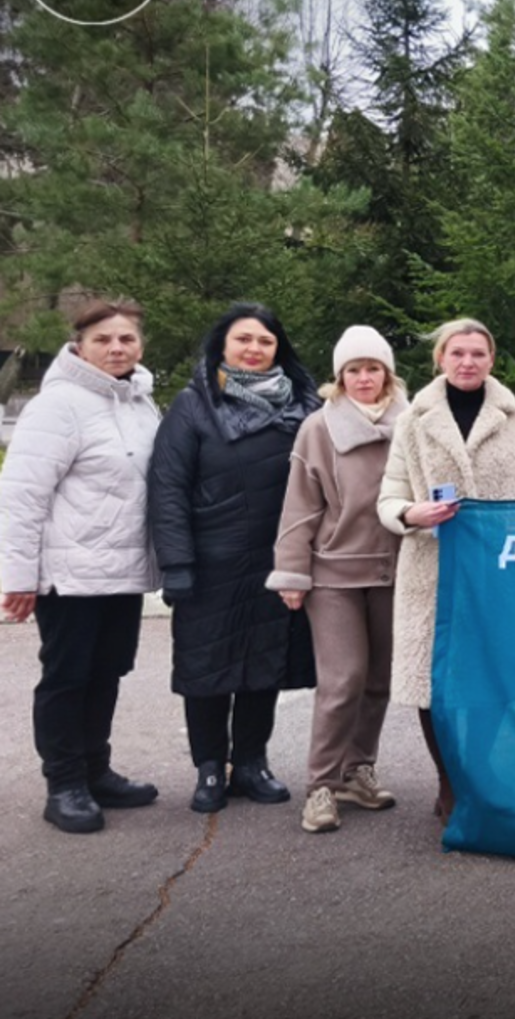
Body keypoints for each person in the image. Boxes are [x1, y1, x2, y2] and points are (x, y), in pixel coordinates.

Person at [377, 318, 515, 826]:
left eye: (477, 353)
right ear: (440, 358)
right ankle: (448, 780)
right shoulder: (412, 421)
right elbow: (388, 500)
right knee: (432, 683)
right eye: (457, 353)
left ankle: (477, 770)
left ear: (491, 360)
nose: (467, 362)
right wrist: (414, 514)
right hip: (431, 571)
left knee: (491, 678)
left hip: (500, 574)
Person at [149, 303, 322, 813]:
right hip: (211, 563)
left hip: (278, 559)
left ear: (278, 349)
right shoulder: (193, 405)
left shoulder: (303, 408)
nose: (254, 348)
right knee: (207, 666)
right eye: (243, 339)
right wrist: (176, 565)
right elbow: (168, 487)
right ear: (222, 347)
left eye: (265, 341)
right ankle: (210, 766)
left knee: (265, 663)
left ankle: (251, 762)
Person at [1, 299, 163, 833]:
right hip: (67, 576)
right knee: (68, 677)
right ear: (81, 345)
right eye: (104, 340)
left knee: (107, 672)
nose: (116, 348)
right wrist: (19, 577)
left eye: (126, 339)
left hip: (121, 571)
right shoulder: (58, 405)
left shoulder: (142, 403)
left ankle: (96, 771)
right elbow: (22, 496)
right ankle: (64, 783)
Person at [267, 326, 409, 835]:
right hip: (333, 574)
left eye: (373, 368)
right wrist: (292, 570)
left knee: (379, 680)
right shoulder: (318, 428)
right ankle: (321, 785)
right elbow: (300, 508)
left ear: (387, 374)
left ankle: (357, 770)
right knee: (343, 679)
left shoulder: (412, 423)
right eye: (354, 370)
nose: (364, 378)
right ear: (339, 377)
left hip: (396, 571)